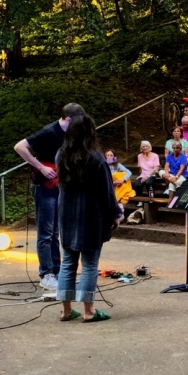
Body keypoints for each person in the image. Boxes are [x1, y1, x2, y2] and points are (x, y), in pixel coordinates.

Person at [55, 114, 121, 323]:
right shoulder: (96, 158)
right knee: (90, 264)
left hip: (66, 215)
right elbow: (107, 191)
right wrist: (115, 214)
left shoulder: (60, 155)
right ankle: (89, 311)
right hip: (90, 216)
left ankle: (66, 311)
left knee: (67, 263)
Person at [14, 103, 85, 291]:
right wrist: (41, 167)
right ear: (68, 119)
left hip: (60, 186)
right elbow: (20, 147)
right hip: (44, 186)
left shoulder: (70, 133)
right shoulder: (48, 132)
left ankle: (58, 271)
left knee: (55, 232)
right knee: (45, 233)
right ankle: (46, 274)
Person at [105, 150, 134, 218]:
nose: (109, 157)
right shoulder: (103, 166)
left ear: (114, 157)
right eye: (107, 155)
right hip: (108, 185)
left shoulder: (117, 165)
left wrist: (123, 180)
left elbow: (129, 172)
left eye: (111, 155)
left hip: (117, 186)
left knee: (122, 175)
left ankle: (120, 214)